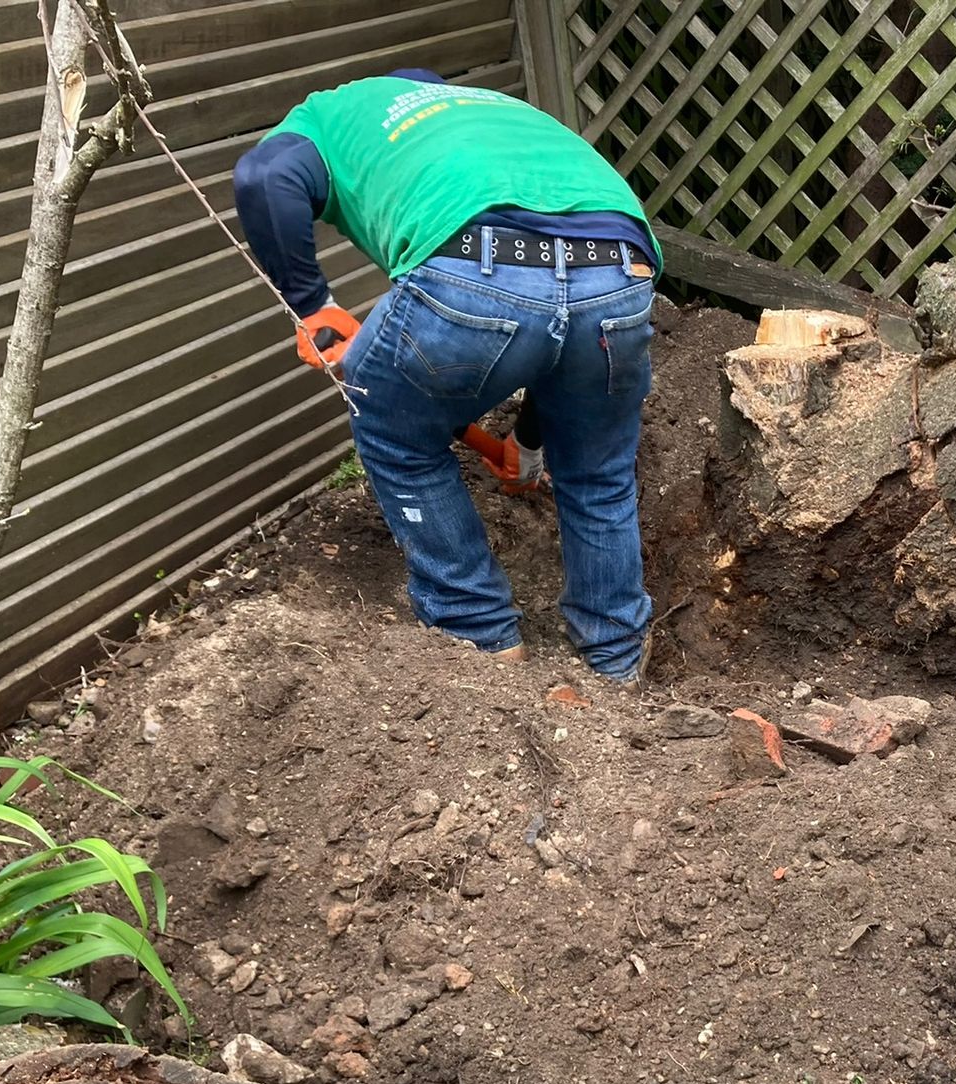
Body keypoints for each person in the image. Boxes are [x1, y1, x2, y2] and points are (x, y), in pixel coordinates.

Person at [233, 70, 659, 680]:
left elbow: (261, 177)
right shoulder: (489, 110)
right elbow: (559, 325)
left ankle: (482, 640)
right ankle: (615, 661)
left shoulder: (325, 119)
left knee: (393, 427)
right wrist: (530, 444)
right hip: (620, 270)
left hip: (475, 260)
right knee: (599, 473)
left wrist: (311, 306)